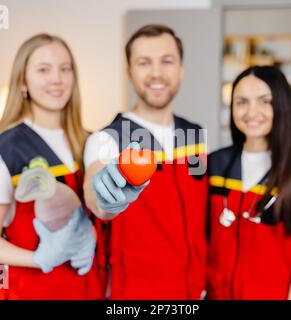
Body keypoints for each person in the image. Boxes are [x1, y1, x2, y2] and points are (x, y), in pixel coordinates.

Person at [0, 33, 103, 300]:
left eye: (65, 69)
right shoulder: (5, 152)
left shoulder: (91, 143)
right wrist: (40, 258)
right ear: (23, 81)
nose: (57, 79)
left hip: (86, 288)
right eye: (44, 70)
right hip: (32, 290)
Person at [83, 25, 208, 299]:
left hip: (195, 291)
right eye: (144, 63)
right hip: (135, 295)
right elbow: (96, 197)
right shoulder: (108, 140)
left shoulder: (195, 135)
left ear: (181, 69)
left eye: (167, 61)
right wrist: (105, 197)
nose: (156, 73)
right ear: (129, 72)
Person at [207, 66, 291, 300]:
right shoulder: (214, 166)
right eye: (241, 102)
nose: (251, 112)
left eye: (265, 101)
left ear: (283, 106)